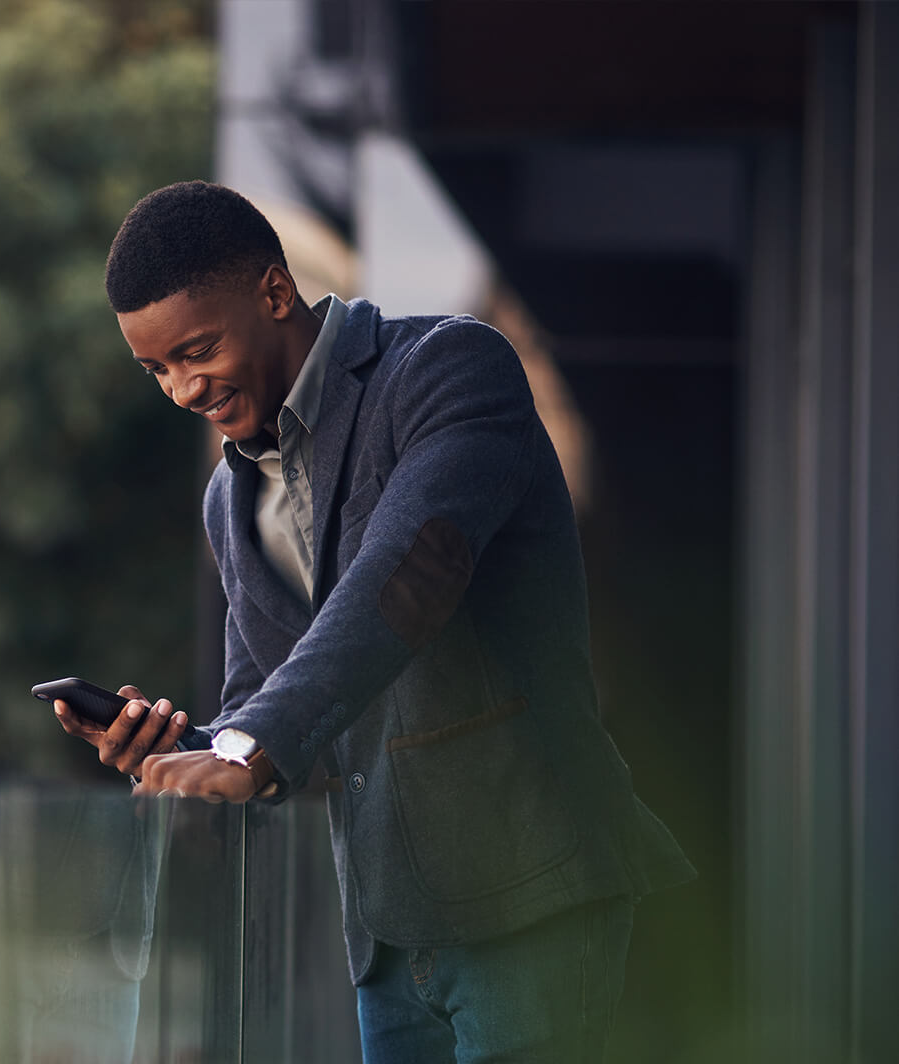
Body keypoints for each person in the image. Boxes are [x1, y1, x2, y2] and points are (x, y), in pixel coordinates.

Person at [55, 180, 695, 1062]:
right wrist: (181, 747)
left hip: (531, 896)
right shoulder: (230, 500)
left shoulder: (450, 371)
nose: (181, 390)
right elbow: (274, 717)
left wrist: (249, 748)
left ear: (275, 294)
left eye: (196, 352)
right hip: (389, 943)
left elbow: (407, 580)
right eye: (157, 368)